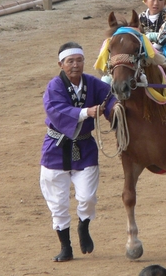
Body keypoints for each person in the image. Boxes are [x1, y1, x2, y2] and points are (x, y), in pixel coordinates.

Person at [39, 41, 117, 262]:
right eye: (70, 61)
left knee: (87, 197)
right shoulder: (54, 86)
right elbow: (56, 110)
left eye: (79, 60)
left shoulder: (92, 83)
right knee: (58, 202)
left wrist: (114, 108)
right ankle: (65, 247)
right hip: (56, 148)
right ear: (61, 64)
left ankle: (84, 225)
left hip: (85, 147)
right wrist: (86, 112)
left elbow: (110, 97)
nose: (75, 65)